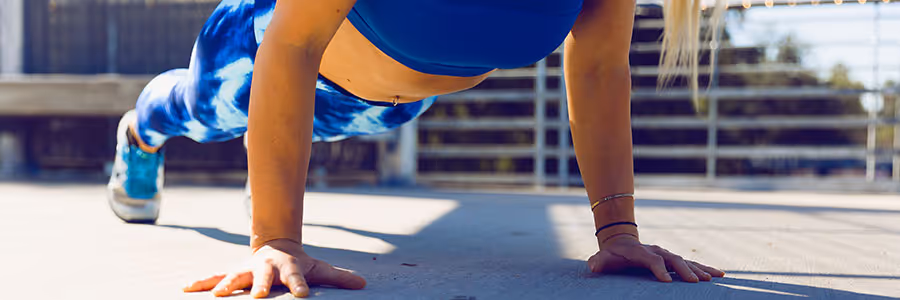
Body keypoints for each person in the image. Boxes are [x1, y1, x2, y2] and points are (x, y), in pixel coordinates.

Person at [106, 0, 727, 298]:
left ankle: (265, 154)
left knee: (307, 128)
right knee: (194, 111)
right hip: (260, 49)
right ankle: (138, 135)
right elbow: (292, 46)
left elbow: (597, 68)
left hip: (385, 106)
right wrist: (277, 240)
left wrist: (618, 231)